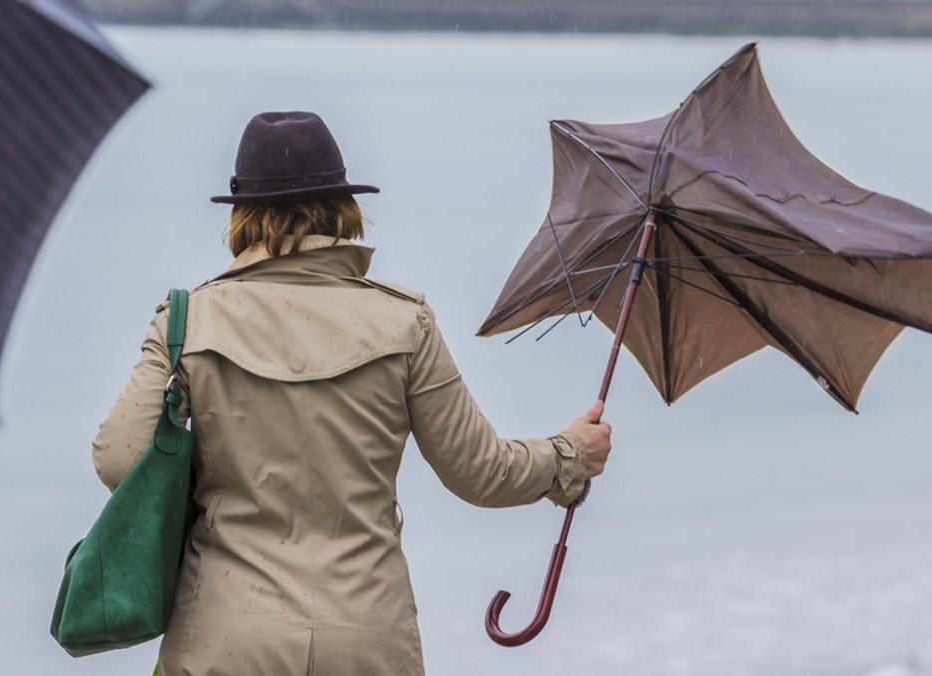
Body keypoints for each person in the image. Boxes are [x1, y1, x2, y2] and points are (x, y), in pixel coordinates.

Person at [91, 111, 612, 675]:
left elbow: (119, 457)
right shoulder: (404, 322)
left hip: (226, 637)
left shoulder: (187, 323)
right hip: (367, 639)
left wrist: (213, 480)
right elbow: (480, 471)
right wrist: (570, 455)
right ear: (342, 208)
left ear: (242, 215)